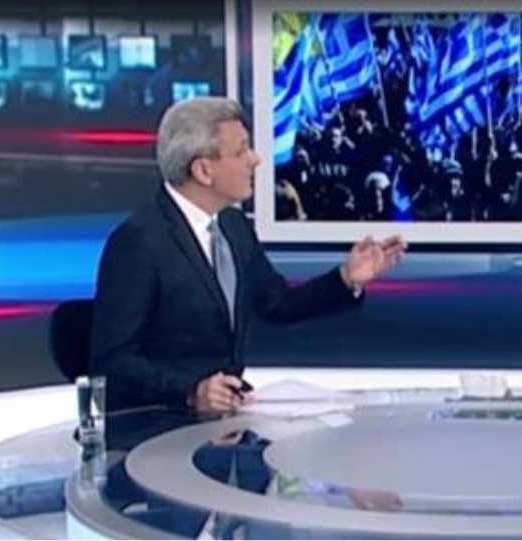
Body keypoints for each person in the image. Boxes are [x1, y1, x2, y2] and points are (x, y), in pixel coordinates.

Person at [91, 97, 406, 414]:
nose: (255, 159)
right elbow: (112, 362)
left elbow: (278, 303)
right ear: (203, 170)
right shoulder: (139, 242)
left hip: (223, 421)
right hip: (159, 425)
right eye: (242, 150)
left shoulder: (233, 225)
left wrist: (346, 278)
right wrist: (190, 391)